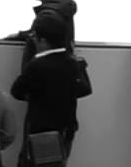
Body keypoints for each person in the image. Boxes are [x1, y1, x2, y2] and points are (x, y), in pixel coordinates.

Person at [10, 16, 86, 167]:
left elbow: (16, 90)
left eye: (34, 37)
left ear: (43, 41)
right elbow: (82, 89)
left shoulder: (36, 66)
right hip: (65, 131)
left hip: (41, 135)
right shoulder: (72, 63)